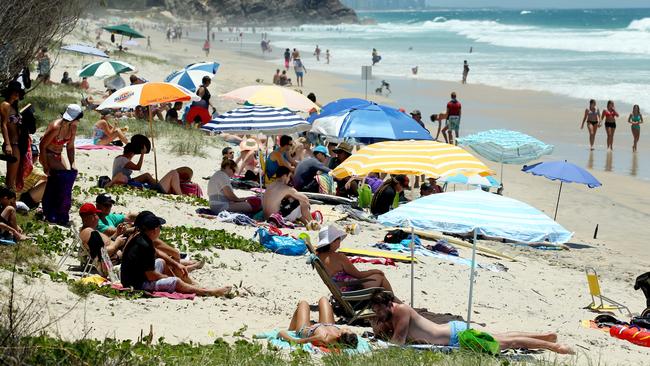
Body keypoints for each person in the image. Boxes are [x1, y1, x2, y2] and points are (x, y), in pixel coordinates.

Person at [370, 292, 574, 354]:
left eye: (379, 310)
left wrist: (379, 333)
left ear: (390, 305)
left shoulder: (402, 311)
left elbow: (398, 342)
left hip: (456, 337)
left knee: (507, 343)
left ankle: (554, 347)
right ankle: (546, 336)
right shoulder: (393, 315)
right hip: (452, 332)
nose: (378, 314)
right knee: (503, 336)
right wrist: (382, 327)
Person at [120, 211, 231, 296]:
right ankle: (208, 292)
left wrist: (176, 264)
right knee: (175, 281)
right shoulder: (144, 245)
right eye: (160, 228)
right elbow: (151, 275)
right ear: (154, 230)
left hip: (132, 278)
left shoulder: (140, 237)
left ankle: (189, 283)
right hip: (136, 285)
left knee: (162, 262)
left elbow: (157, 253)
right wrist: (166, 277)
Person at [316, 225, 393, 292]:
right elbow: (359, 275)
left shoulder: (318, 257)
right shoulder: (339, 257)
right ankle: (393, 304)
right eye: (338, 238)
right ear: (332, 242)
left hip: (338, 289)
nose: (340, 241)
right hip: (352, 289)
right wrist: (374, 271)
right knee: (380, 277)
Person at [40, 104, 82, 225]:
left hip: (58, 155)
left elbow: (70, 147)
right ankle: (55, 212)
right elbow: (42, 145)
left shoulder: (72, 128)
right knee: (64, 178)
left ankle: (52, 211)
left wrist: (72, 163)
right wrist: (45, 165)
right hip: (47, 154)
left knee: (58, 181)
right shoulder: (55, 127)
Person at [278, 297, 359, 348]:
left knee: (303, 304)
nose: (348, 328)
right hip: (326, 325)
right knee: (324, 299)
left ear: (339, 335)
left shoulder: (322, 338)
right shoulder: (341, 335)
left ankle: (291, 329)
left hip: (305, 329)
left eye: (347, 330)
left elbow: (297, 341)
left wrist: (283, 334)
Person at [108, 143, 182, 194]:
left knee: (147, 176)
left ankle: (156, 184)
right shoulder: (123, 159)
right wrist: (142, 154)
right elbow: (138, 167)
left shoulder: (119, 158)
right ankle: (157, 186)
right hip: (125, 182)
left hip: (125, 181)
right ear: (131, 153)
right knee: (147, 176)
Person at [1, 81, 25, 190]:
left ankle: (9, 199)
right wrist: (7, 144)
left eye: (18, 92)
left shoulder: (13, 107)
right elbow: (4, 125)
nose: (16, 94)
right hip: (12, 144)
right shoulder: (5, 105)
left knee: (14, 176)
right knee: (10, 178)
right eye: (14, 92)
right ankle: (7, 201)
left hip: (17, 143)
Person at [16, 144, 47, 211]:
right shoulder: (32, 169)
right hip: (20, 200)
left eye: (35, 155)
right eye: (32, 155)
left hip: (18, 197)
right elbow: (51, 179)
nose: (34, 158)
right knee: (48, 183)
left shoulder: (17, 165)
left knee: (42, 181)